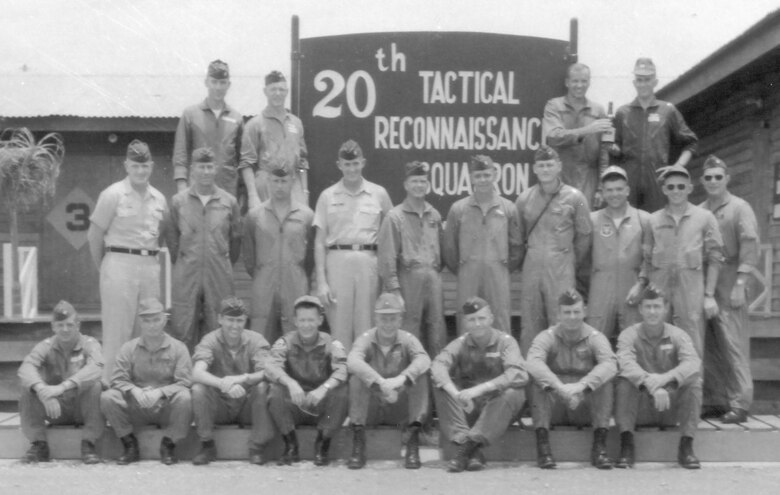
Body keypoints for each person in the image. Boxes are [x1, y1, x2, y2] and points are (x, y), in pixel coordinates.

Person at [87, 139, 168, 380]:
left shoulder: (159, 199)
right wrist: (104, 268)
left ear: (152, 166)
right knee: (117, 332)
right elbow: (94, 235)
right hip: (119, 263)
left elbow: (160, 236)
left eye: (145, 166)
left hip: (149, 266)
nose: (140, 171)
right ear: (126, 166)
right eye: (135, 166)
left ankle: (141, 388)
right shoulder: (112, 194)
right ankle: (113, 391)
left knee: (147, 329)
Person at [432, 297, 527, 473]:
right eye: (472, 319)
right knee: (440, 386)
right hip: (470, 407)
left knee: (514, 392)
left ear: (491, 318)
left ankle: (465, 450)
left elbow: (517, 373)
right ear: (465, 323)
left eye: (482, 318)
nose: (477, 324)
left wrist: (479, 389)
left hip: (498, 408)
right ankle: (473, 451)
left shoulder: (506, 342)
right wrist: (456, 394)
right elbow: (438, 365)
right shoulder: (460, 343)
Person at [314, 139, 393, 350]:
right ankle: (341, 377)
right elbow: (319, 242)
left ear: (363, 163)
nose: (351, 169)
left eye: (355, 163)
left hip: (369, 263)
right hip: (338, 263)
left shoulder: (379, 194)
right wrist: (321, 281)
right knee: (339, 328)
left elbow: (390, 240)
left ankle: (363, 378)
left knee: (366, 325)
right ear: (339, 165)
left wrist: (388, 280)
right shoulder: (327, 196)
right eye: (347, 164)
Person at [526, 289, 617, 470]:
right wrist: (559, 387)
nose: (572, 317)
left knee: (604, 383)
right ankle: (544, 448)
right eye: (567, 312)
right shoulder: (547, 336)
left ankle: (599, 448)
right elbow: (533, 362)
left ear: (585, 311)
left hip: (583, 402)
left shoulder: (594, 337)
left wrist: (582, 386)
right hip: (556, 404)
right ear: (558, 314)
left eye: (576, 312)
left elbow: (610, 364)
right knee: (538, 382)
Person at [615, 286, 703, 469]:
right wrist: (650, 383)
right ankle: (626, 445)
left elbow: (693, 363)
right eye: (648, 307)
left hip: (669, 406)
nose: (652, 312)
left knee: (694, 381)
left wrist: (664, 379)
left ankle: (686, 446)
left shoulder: (678, 335)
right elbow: (625, 363)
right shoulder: (628, 334)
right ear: (640, 309)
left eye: (657, 306)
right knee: (624, 381)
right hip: (640, 406)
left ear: (666, 309)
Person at [699, 155, 759, 423]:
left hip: (730, 278)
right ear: (702, 181)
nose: (713, 181)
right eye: (708, 177)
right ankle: (715, 399)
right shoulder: (700, 210)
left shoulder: (739, 208)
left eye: (718, 177)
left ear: (727, 179)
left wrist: (741, 283)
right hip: (704, 282)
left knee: (733, 343)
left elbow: (749, 244)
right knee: (709, 344)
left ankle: (740, 403)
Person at [516, 145, 592, 355]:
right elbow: (518, 236)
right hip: (532, 267)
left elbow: (584, 236)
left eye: (550, 164)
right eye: (541, 165)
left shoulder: (576, 198)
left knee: (561, 318)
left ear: (559, 166)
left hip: (562, 267)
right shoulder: (524, 199)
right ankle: (530, 369)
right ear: (534, 169)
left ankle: (561, 368)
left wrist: (568, 260)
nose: (546, 169)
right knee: (530, 320)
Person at [100, 298, 193, 465]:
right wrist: (135, 391)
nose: (152, 325)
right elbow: (117, 379)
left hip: (165, 407)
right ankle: (129, 444)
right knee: (108, 397)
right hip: (138, 406)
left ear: (164, 320)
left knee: (185, 397)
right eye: (147, 321)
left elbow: (184, 382)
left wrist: (160, 392)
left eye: (156, 319)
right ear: (140, 323)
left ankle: (169, 444)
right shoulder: (128, 348)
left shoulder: (179, 348)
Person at [346, 293, 431, 470]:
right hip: (372, 408)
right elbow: (352, 360)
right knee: (356, 378)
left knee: (420, 377)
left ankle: (412, 443)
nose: (388, 324)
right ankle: (358, 444)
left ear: (400, 320)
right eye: (383, 319)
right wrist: (380, 383)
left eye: (393, 319)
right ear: (375, 319)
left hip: (398, 409)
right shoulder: (366, 338)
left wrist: (401, 379)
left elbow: (424, 359)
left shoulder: (407, 339)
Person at [167, 147, 241, 351]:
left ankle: (214, 377)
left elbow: (235, 241)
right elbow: (172, 240)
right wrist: (186, 260)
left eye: (210, 167)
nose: (206, 172)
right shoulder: (178, 202)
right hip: (187, 272)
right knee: (182, 323)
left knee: (219, 323)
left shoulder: (229, 202)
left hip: (218, 272)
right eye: (201, 167)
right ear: (193, 169)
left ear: (216, 168)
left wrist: (219, 259)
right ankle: (183, 376)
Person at [647, 164, 724, 357]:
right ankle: (660, 385)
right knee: (657, 340)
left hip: (690, 293)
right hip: (659, 292)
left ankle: (693, 386)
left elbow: (715, 257)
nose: (676, 191)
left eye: (681, 186)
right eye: (671, 187)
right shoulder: (653, 220)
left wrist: (709, 295)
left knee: (692, 343)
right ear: (664, 190)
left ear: (690, 188)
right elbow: (646, 258)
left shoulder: (705, 217)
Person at [442, 155, 523, 334]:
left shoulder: (508, 208)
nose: (483, 180)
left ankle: (503, 360)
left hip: (498, 275)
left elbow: (517, 248)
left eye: (486, 175)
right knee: (467, 319)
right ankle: (464, 359)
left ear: (495, 174)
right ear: (471, 178)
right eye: (478, 176)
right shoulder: (458, 209)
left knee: (500, 319)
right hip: (468, 275)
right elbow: (449, 249)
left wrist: (500, 267)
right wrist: (465, 268)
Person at [265, 296, 349, 466]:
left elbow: (343, 369)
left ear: (320, 320)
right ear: (295, 321)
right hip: (295, 403)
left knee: (342, 391)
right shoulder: (285, 342)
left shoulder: (331, 343)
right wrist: (290, 382)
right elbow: (270, 366)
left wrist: (324, 388)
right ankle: (291, 445)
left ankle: (322, 444)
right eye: (302, 320)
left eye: (311, 320)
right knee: (275, 390)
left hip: (321, 405)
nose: (306, 325)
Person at [17, 301, 104, 464]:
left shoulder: (90, 344)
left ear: (78, 325)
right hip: (55, 410)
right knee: (27, 387)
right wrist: (41, 390)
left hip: (82, 408)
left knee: (96, 387)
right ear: (53, 326)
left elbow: (97, 367)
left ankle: (89, 443)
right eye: (60, 325)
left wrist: (62, 387)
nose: (65, 329)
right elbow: (26, 367)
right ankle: (39, 444)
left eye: (70, 324)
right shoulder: (45, 346)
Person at [190, 297, 273, 465]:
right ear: (220, 319)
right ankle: (207, 445)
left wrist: (243, 378)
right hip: (220, 406)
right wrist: (223, 384)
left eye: (239, 320)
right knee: (198, 389)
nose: (235, 326)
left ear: (245, 321)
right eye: (230, 320)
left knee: (263, 386)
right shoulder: (210, 340)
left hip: (247, 407)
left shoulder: (256, 340)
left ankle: (257, 446)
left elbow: (268, 372)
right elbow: (196, 373)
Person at [612, 58, 698, 212]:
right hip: (629, 183)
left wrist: (677, 167)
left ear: (655, 82)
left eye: (647, 79)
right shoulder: (622, 113)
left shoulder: (667, 110)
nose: (643, 84)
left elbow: (691, 143)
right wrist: (614, 148)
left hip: (657, 182)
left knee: (658, 227)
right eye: (639, 80)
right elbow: (612, 149)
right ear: (634, 83)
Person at [378, 160, 446, 355]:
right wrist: (396, 291)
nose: (419, 185)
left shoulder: (434, 215)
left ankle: (436, 379)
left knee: (436, 330)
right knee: (409, 330)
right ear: (406, 185)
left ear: (428, 185)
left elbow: (441, 253)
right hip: (407, 280)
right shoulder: (394, 217)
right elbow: (386, 258)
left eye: (423, 181)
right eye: (414, 181)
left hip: (432, 279)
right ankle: (408, 379)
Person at [243, 162, 314, 343]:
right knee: (259, 336)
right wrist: (264, 272)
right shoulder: (254, 216)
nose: (280, 186)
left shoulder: (306, 216)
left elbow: (311, 258)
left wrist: (295, 272)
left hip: (295, 282)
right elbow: (249, 257)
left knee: (296, 335)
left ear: (292, 182)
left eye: (284, 181)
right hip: (264, 283)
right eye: (275, 181)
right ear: (268, 181)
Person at [586, 166, 652, 345]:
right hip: (600, 288)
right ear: (602, 192)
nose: (614, 194)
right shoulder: (591, 220)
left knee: (635, 341)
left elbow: (650, 258)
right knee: (594, 340)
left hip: (631, 287)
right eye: (609, 190)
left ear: (627, 190)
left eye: (619, 189)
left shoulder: (644, 219)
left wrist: (641, 283)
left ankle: (633, 373)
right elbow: (581, 256)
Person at [172, 60, 249, 207]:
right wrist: (182, 190)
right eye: (214, 82)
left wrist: (243, 196)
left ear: (229, 85)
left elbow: (243, 160)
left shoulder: (236, 118)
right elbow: (180, 156)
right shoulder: (190, 115)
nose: (218, 87)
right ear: (206, 82)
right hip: (196, 193)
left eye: (222, 83)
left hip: (227, 193)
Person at [542, 63, 611, 208]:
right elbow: (553, 137)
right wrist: (587, 130)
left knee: (586, 225)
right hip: (561, 176)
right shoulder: (554, 106)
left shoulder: (598, 110)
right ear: (567, 82)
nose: (579, 85)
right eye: (575, 81)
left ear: (589, 82)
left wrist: (601, 187)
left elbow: (604, 153)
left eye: (584, 81)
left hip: (589, 179)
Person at [240, 70, 308, 206]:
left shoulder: (296, 123)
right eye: (273, 89)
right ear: (265, 91)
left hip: (292, 183)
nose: (278, 93)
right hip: (266, 184)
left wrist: (304, 192)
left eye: (281, 89)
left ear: (287, 92)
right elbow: (246, 163)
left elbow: (302, 162)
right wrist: (252, 195)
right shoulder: (255, 124)